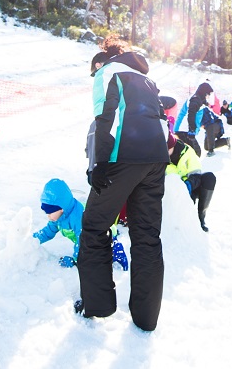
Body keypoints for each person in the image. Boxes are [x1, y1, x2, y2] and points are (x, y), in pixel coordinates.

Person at [78, 35, 169, 332]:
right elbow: (159, 120)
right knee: (147, 236)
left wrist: (100, 163)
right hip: (155, 160)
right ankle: (146, 318)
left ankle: (98, 305)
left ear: (103, 61)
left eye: (94, 70)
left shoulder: (108, 73)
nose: (94, 75)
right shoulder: (145, 79)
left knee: (94, 225)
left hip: (123, 157)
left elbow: (107, 117)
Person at [34, 178, 128, 271]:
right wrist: (32, 241)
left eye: (50, 212)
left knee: (104, 252)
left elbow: (82, 240)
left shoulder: (77, 217)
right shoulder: (58, 217)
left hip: (103, 232)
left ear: (61, 208)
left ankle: (117, 252)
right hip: (89, 238)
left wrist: (76, 260)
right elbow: (48, 232)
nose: (48, 216)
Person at [166, 132, 217, 231]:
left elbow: (196, 173)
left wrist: (188, 185)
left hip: (192, 186)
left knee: (209, 178)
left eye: (167, 149)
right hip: (175, 193)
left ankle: (201, 216)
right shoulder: (161, 159)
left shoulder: (187, 150)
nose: (165, 152)